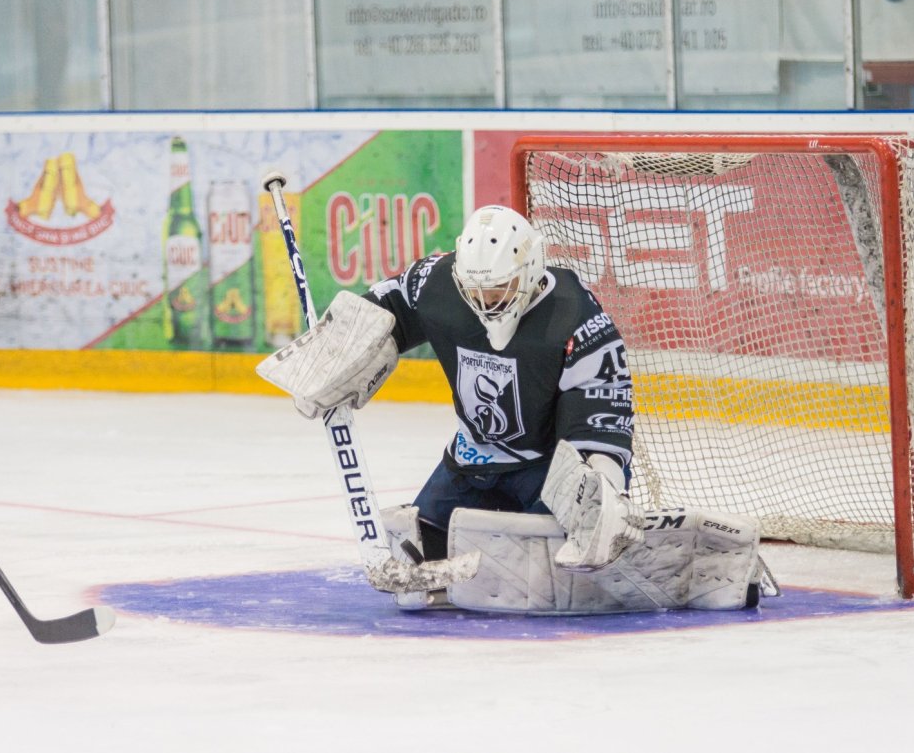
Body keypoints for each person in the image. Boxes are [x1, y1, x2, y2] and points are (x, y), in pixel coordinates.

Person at [260, 204, 645, 581]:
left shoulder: (574, 315)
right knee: (415, 553)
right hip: (472, 460)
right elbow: (385, 308)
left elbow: (600, 417)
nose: (486, 302)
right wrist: (332, 355)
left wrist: (603, 488)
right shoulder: (436, 282)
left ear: (529, 271)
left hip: (545, 470)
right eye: (474, 290)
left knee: (542, 564)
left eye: (499, 288)